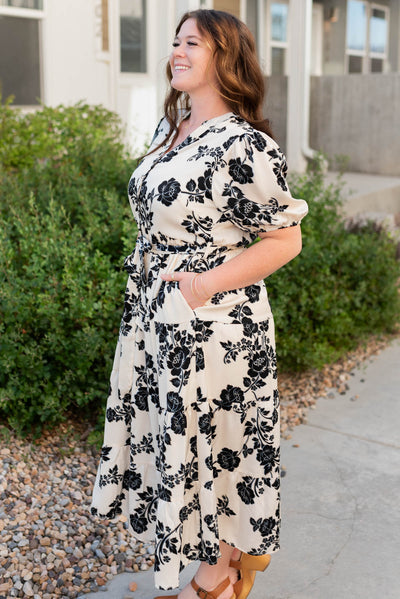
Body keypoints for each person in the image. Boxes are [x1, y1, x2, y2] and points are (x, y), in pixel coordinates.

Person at [91, 9, 308, 599]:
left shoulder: (243, 144)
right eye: (174, 42)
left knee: (215, 444)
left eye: (192, 42)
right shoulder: (177, 130)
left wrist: (202, 285)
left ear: (224, 55)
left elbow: (285, 238)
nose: (176, 51)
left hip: (212, 328)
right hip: (160, 325)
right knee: (181, 443)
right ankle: (225, 561)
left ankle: (219, 575)